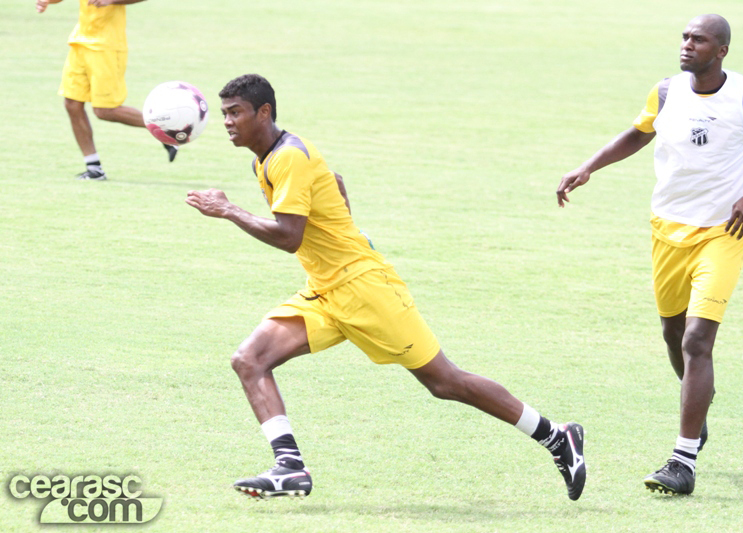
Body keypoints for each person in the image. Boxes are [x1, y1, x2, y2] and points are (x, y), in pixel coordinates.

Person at [186, 73, 587, 501]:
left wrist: (228, 210)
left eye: (235, 112)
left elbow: (289, 237)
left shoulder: (287, 157)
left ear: (263, 112)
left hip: (365, 290)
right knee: (249, 359)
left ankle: (557, 437)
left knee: (444, 382)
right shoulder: (266, 159)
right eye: (225, 113)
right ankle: (290, 468)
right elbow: (333, 181)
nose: (227, 121)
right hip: (325, 291)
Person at [557, 14, 743, 495]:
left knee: (695, 341)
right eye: (685, 37)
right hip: (667, 229)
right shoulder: (667, 92)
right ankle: (698, 408)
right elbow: (639, 132)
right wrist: (589, 167)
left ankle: (682, 459)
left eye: (699, 39)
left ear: (722, 50)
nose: (688, 45)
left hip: (723, 233)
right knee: (672, 334)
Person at [36, 0, 177, 181]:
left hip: (106, 47)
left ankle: (166, 128)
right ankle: (94, 169)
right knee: (71, 103)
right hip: (80, 43)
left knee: (105, 111)